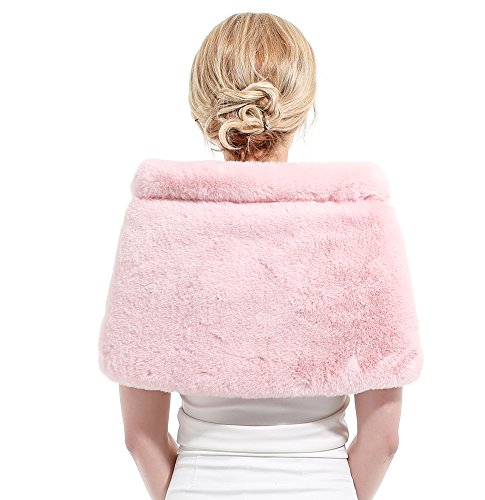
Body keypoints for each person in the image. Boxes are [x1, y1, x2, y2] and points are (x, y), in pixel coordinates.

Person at [118, 12, 403, 500]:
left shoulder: (157, 221)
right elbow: (385, 438)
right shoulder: (358, 218)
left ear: (202, 108)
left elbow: (139, 436)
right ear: (304, 105)